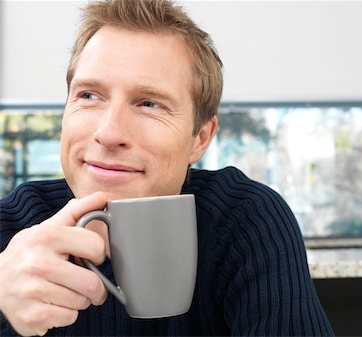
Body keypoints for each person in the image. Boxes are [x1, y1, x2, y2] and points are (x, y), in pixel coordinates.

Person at [0, 0, 334, 336]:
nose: (109, 133)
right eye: (89, 95)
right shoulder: (9, 231)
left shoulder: (246, 219)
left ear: (199, 139)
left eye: (149, 103)